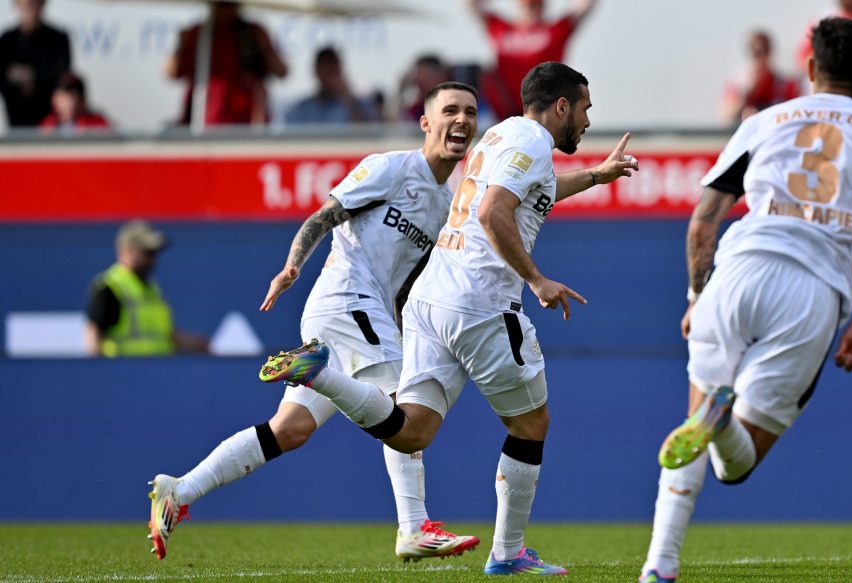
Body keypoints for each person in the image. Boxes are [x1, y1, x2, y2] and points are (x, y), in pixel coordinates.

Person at [258, 61, 637, 576]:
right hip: (479, 304)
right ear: (563, 106)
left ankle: (319, 374)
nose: (589, 121)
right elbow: (492, 212)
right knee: (531, 422)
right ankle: (507, 554)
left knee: (411, 433)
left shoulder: (503, 135)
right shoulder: (531, 144)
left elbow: (531, 195)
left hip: (430, 302)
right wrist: (537, 279)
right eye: (586, 109)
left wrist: (596, 175)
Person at [146, 82, 482, 562]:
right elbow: (325, 216)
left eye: (470, 112)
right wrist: (292, 265)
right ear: (426, 122)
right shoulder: (390, 166)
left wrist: (413, 328)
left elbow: (407, 282)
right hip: (346, 298)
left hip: (360, 312)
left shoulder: (445, 204)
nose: (462, 120)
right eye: (450, 110)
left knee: (289, 429)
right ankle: (413, 527)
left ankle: (180, 489)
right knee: (404, 411)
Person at [640, 18, 852, 583]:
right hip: (813, 289)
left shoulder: (764, 122)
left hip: (738, 267)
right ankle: (715, 417)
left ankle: (658, 567)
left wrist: (697, 294)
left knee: (699, 421)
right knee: (734, 468)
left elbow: (702, 223)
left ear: (810, 67)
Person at [85, 220, 210, 358]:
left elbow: (165, 335)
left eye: (154, 253)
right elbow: (93, 336)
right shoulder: (110, 287)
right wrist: (100, 372)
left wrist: (196, 344)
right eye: (147, 252)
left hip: (159, 372)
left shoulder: (152, 289)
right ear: (128, 250)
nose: (153, 259)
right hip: (124, 374)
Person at [466, 0, 597, 120]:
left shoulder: (555, 30)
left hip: (542, 109)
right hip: (504, 110)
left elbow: (584, 5)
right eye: (528, 5)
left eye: (536, 5)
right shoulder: (501, 28)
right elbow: (471, 5)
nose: (532, 10)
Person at [165, 0, 287, 126]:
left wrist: (264, 46)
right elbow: (172, 72)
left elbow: (282, 71)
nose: (225, 9)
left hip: (246, 120)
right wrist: (181, 45)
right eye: (221, 4)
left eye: (229, 4)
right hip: (203, 118)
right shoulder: (196, 34)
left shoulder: (254, 32)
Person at [0, 0, 71, 128]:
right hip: (16, 117)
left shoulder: (58, 39)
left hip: (51, 121)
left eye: (35, 2)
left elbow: (61, 75)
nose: (31, 7)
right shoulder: (7, 40)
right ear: (16, 4)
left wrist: (31, 77)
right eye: (27, 3)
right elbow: (3, 77)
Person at [719, 30, 799, 124]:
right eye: (756, 52)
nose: (761, 58)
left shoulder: (784, 85)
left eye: (765, 51)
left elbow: (795, 114)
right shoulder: (738, 82)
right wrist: (748, 95)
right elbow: (726, 116)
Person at [285, 47, 379, 125]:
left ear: (340, 70)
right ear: (316, 71)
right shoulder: (300, 110)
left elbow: (367, 134)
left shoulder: (358, 106)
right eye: (325, 68)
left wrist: (346, 97)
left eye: (333, 68)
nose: (330, 74)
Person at [39, 72, 111, 135]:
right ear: (54, 99)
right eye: (64, 97)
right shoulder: (47, 125)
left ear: (82, 100)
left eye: (73, 96)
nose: (69, 103)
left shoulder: (96, 124)